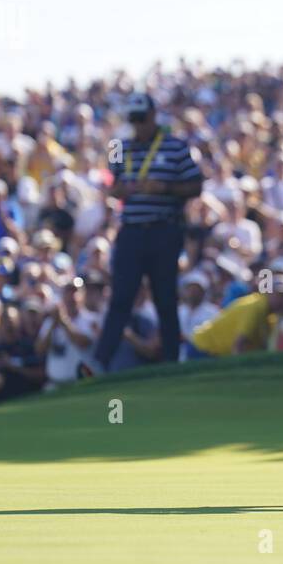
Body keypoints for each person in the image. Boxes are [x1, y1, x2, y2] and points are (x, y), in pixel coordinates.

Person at [90, 92, 202, 372]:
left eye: (142, 119)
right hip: (131, 231)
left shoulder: (175, 147)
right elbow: (111, 186)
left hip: (164, 230)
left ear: (153, 117)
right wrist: (120, 191)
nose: (138, 125)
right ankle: (100, 362)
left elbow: (196, 185)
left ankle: (171, 361)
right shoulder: (120, 147)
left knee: (165, 296)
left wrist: (165, 189)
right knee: (121, 297)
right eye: (134, 120)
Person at [189, 275, 283, 356]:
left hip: (210, 350)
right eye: (280, 295)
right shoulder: (256, 307)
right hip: (202, 348)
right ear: (270, 292)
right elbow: (239, 344)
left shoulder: (270, 316)